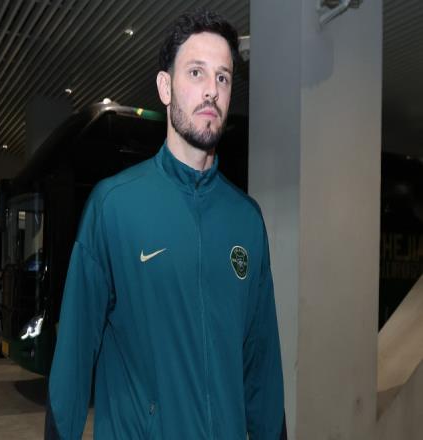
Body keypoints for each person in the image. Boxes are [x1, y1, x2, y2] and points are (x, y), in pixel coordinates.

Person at [45, 9, 286, 440]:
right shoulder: (114, 207)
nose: (211, 90)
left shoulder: (247, 220)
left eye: (223, 77)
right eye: (196, 72)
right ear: (165, 86)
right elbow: (74, 360)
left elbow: (262, 365)